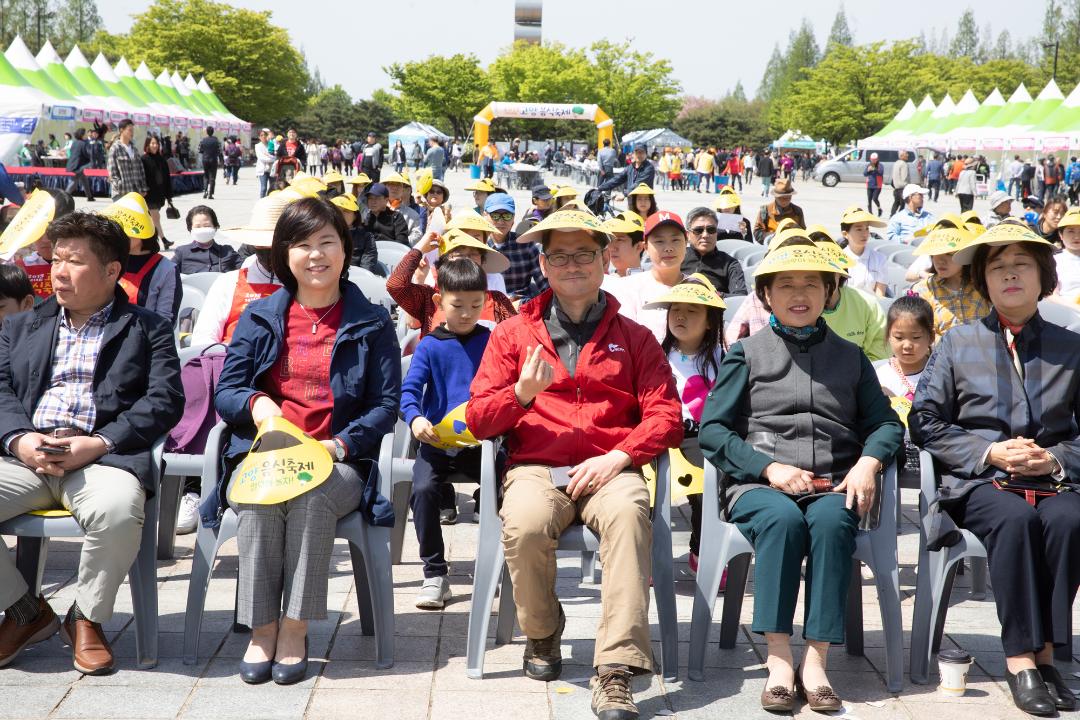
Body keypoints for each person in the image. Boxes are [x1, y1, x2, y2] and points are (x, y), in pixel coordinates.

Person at [466, 208, 683, 720]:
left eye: (583, 254)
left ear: (605, 260)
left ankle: (614, 670)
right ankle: (542, 634)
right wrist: (520, 395)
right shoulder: (513, 333)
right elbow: (478, 418)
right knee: (522, 524)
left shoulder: (634, 336)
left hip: (611, 466)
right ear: (542, 264)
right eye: (559, 256)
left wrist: (621, 455)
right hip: (537, 466)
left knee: (631, 518)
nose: (572, 265)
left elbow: (667, 414)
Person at [698, 243, 903, 713]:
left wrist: (868, 463)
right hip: (760, 484)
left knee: (832, 524)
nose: (799, 294)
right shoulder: (746, 353)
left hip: (833, 481)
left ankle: (816, 661)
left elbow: (887, 424)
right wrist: (767, 468)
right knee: (781, 522)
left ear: (830, 292)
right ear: (766, 294)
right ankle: (777, 660)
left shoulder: (851, 357)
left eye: (812, 283)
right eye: (785, 284)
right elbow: (712, 431)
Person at [213, 197, 399, 685]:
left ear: (345, 249)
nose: (315, 256)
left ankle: (294, 628)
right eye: (302, 245)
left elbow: (385, 406)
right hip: (266, 455)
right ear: (284, 254)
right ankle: (263, 628)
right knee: (258, 498)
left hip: (339, 459)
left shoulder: (372, 320)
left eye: (326, 243)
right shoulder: (261, 317)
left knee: (313, 494)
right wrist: (258, 405)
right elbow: (227, 392)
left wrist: (338, 445)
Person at [0, 211, 184, 674]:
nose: (59, 271)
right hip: (29, 458)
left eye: (74, 261)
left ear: (111, 271)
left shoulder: (148, 328)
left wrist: (100, 442)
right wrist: (20, 439)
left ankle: (86, 616)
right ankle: (25, 611)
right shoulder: (21, 326)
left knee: (119, 511)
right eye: (56, 258)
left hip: (103, 458)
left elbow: (164, 400)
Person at [910, 220, 1080, 717]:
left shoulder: (1072, 348)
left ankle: (1049, 653)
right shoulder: (957, 344)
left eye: (1020, 266)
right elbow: (925, 421)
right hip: (981, 480)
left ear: (1042, 276)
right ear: (982, 280)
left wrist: (1054, 458)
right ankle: (1021, 658)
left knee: (1069, 520)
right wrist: (991, 453)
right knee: (1014, 519)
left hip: (1054, 477)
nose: (1009, 276)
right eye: (998, 268)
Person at [401, 259, 499, 608]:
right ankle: (434, 573)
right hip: (437, 441)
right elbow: (410, 390)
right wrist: (415, 420)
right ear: (440, 301)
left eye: (476, 305)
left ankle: (495, 564)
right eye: (457, 305)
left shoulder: (491, 341)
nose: (467, 313)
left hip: (482, 442)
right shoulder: (430, 345)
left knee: (505, 487)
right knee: (424, 489)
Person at [645, 275, 725, 578]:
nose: (680, 316)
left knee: (709, 488)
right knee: (646, 491)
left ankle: (701, 549)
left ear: (709, 321)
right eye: (675, 309)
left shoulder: (723, 358)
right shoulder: (655, 353)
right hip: (658, 432)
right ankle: (646, 552)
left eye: (692, 311)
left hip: (699, 436)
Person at [190, 195, 290, 346]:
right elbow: (204, 337)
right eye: (263, 246)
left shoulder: (302, 283)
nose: (270, 253)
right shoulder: (228, 282)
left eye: (274, 246)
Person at [388, 227, 515, 337]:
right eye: (458, 254)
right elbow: (395, 285)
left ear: (482, 261)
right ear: (444, 261)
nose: (466, 259)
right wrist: (419, 250)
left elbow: (515, 333)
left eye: (473, 254)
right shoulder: (429, 297)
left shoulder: (498, 301)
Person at [609, 211, 689, 343]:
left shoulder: (698, 286)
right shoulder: (627, 288)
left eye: (675, 240)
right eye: (659, 241)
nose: (668, 248)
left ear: (686, 243)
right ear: (645, 247)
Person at [102, 193, 181, 327]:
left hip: (145, 339)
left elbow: (165, 321)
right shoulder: (106, 260)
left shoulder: (166, 270)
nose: (117, 237)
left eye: (124, 232)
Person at [910, 225, 991, 340]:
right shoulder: (923, 290)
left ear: (964, 256)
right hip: (941, 356)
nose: (940, 260)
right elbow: (917, 335)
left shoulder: (983, 285)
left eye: (949, 254)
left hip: (984, 354)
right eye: (935, 253)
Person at [484, 193, 547, 301]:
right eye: (495, 215)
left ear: (513, 219)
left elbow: (544, 283)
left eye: (507, 215)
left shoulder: (526, 245)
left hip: (521, 307)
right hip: (485, 308)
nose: (501, 221)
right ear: (484, 216)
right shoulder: (477, 246)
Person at [680, 207, 747, 296]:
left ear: (716, 233)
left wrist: (712, 295)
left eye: (711, 230)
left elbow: (740, 297)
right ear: (688, 235)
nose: (705, 235)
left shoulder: (730, 263)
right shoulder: (678, 257)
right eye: (698, 230)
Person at [172, 205, 241, 274]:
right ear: (190, 229)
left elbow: (245, 268)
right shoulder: (182, 252)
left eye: (206, 226)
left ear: (215, 227)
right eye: (197, 226)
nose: (202, 229)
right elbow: (167, 273)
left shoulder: (227, 251)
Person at [839, 206, 888, 296]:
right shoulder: (838, 258)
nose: (865, 234)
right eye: (859, 229)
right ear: (845, 234)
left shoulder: (880, 259)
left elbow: (880, 294)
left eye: (867, 229)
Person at [141, 135, 174, 249]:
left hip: (159, 195)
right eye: (152, 143)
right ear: (147, 145)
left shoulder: (162, 160)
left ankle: (150, 241)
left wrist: (169, 195)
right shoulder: (144, 159)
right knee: (155, 217)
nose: (155, 145)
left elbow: (167, 178)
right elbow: (142, 177)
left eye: (156, 143)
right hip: (148, 195)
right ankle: (163, 239)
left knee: (153, 219)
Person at [752, 178, 805, 244]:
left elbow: (803, 232)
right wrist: (773, 236)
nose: (785, 200)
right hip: (772, 247)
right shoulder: (765, 210)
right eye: (782, 198)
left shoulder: (797, 211)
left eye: (788, 197)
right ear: (775, 196)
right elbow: (757, 232)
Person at [106, 119, 147, 201]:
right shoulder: (115, 148)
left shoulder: (134, 149)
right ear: (121, 130)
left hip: (135, 192)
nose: (132, 133)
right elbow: (112, 172)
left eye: (133, 130)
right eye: (130, 130)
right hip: (121, 193)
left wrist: (143, 187)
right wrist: (119, 186)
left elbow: (140, 170)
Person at [600, 211, 646, 277]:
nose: (611, 248)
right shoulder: (602, 283)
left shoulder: (652, 283)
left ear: (639, 247)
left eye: (619, 240)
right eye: (610, 239)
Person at [1052, 207, 1080, 302]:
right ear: (1061, 235)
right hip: (1068, 312)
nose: (1077, 236)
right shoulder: (1054, 261)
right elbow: (1052, 295)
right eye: (1071, 231)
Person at [64, 128, 95, 202]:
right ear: (82, 135)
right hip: (78, 165)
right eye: (84, 134)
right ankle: (64, 197)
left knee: (84, 180)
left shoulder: (75, 142)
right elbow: (86, 154)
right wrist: (90, 161)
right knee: (74, 182)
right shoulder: (83, 143)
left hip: (73, 163)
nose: (86, 135)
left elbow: (72, 151)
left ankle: (89, 196)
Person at [197, 127, 222, 200]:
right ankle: (210, 193)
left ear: (207, 132)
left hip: (205, 159)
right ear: (213, 132)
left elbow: (199, 150)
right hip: (213, 159)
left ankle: (205, 191)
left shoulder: (203, 140)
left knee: (205, 175)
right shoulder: (216, 140)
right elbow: (219, 151)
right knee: (212, 177)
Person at [255, 129, 274, 198]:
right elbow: (261, 158)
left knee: (272, 188)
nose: (263, 136)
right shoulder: (257, 146)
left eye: (265, 135)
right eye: (261, 135)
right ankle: (261, 203)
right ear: (259, 137)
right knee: (263, 188)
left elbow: (275, 156)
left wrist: (270, 157)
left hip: (272, 169)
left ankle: (271, 203)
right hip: (262, 170)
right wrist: (271, 158)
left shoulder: (271, 144)